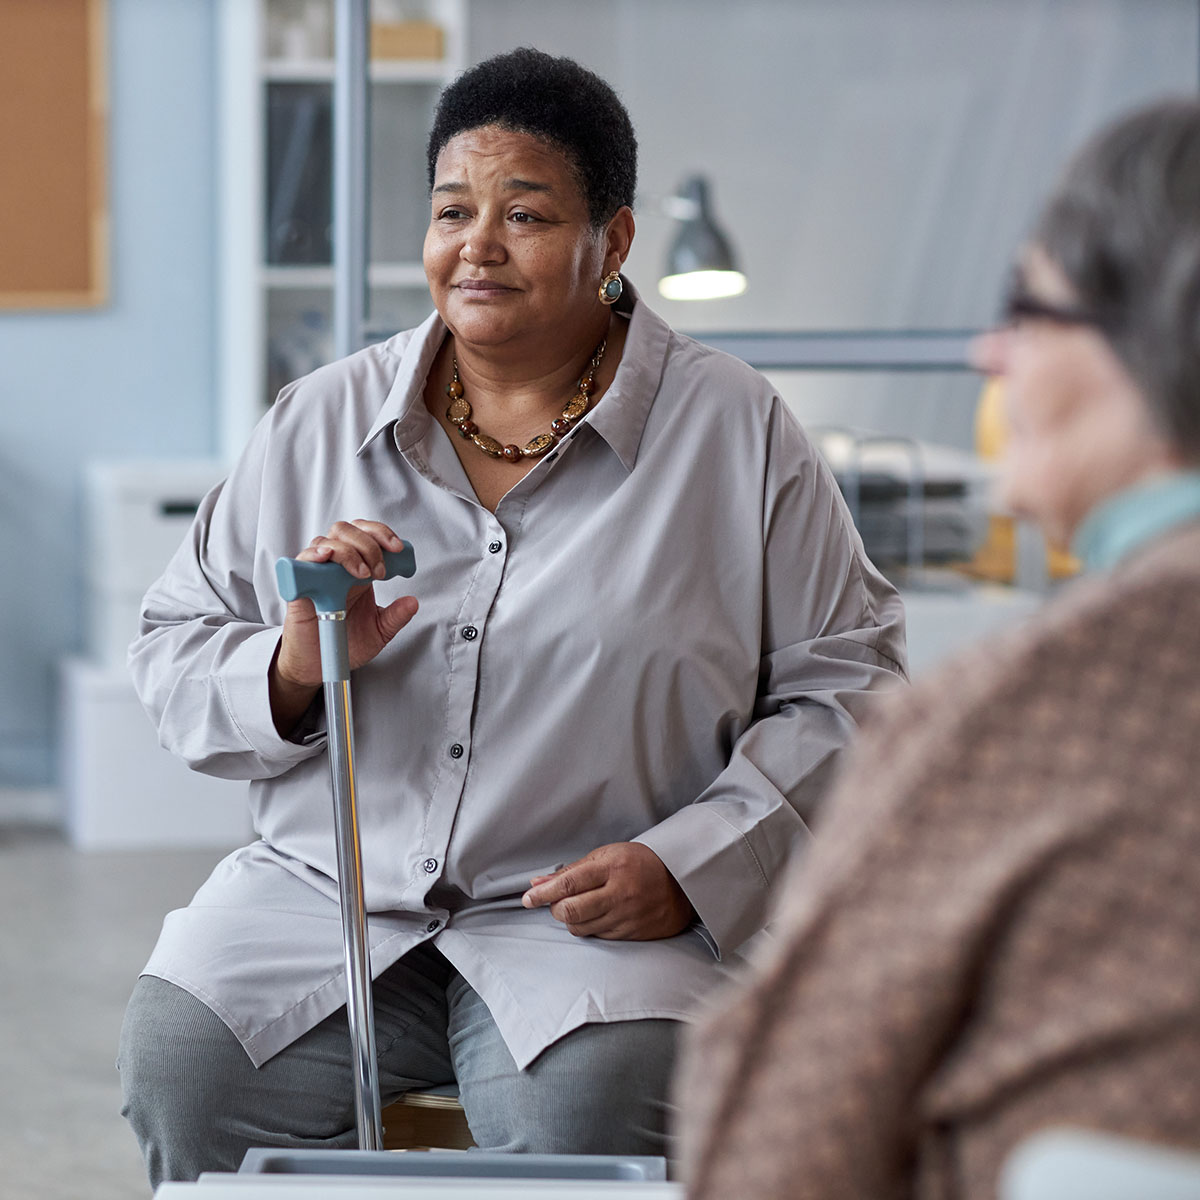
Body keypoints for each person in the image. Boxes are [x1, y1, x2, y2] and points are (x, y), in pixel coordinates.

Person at [118, 48, 906, 1185]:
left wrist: (690, 864)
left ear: (615, 242)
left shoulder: (737, 431)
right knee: (185, 1069)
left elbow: (853, 690)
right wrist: (292, 668)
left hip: (592, 919)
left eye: (524, 213)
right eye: (452, 210)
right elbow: (175, 644)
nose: (476, 246)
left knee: (590, 1104)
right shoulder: (314, 420)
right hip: (324, 902)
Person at [677, 96, 1200, 1200]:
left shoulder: (1033, 711)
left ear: (1151, 337)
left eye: (1028, 306)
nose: (988, 352)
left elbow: (776, 1149)